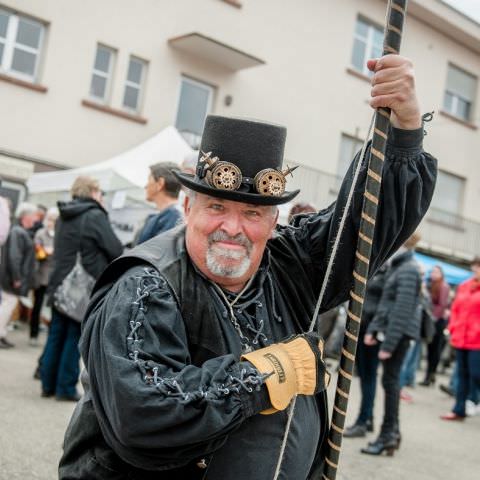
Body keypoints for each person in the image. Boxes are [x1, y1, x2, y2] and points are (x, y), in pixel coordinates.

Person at [59, 55, 437, 479]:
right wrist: (265, 373)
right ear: (188, 207)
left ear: (273, 222)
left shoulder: (288, 265)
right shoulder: (144, 286)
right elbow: (144, 415)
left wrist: (403, 128)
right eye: (216, 206)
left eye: (253, 213)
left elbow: (363, 225)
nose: (232, 228)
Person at [40, 176, 123, 401]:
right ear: (94, 191)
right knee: (74, 336)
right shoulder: (94, 215)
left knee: (55, 334)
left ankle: (47, 384)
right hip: (83, 285)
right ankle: (65, 388)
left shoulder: (63, 215)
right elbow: (115, 249)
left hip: (60, 283)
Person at [361, 233, 423, 456]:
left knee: (391, 384)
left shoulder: (409, 269)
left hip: (399, 335)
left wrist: (388, 344)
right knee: (390, 383)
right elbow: (386, 303)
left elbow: (401, 311)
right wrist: (373, 330)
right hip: (393, 333)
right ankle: (391, 434)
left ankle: (388, 435)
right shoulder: (400, 267)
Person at [344, 263, 389, 438]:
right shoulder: (378, 267)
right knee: (364, 376)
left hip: (372, 331)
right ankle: (368, 417)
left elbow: (385, 305)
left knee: (369, 377)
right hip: (363, 328)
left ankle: (363, 421)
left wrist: (375, 330)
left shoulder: (389, 272)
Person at [440, 257, 480, 420]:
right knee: (462, 375)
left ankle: (473, 401)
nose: (475, 269)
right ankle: (458, 410)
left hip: (477, 341)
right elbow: (455, 309)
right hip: (462, 338)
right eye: (475, 266)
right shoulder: (464, 286)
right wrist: (453, 329)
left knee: (476, 374)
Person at [0, 202, 38, 349]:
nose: (35, 219)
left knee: (8, 306)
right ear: (26, 217)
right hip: (11, 279)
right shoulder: (17, 232)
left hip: (13, 278)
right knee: (7, 306)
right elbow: (14, 257)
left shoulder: (19, 231)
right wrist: (17, 278)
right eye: (33, 216)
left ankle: (2, 334)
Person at [29, 207, 59, 346]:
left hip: (54, 278)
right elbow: (38, 252)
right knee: (37, 305)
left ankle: (50, 336)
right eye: (49, 218)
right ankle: (33, 334)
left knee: (53, 308)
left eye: (53, 219)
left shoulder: (60, 235)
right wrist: (45, 251)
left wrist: (49, 251)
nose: (50, 222)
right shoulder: (40, 233)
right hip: (41, 276)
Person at [136, 162, 183, 244]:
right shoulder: (170, 216)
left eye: (149, 179)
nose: (145, 186)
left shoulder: (172, 217)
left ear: (160, 183)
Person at [419, 265, 450, 386]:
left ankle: (430, 375)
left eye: (436, 272)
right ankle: (429, 375)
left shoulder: (444, 286)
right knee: (430, 349)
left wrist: (433, 318)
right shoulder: (430, 285)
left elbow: (442, 305)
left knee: (435, 350)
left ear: (441, 274)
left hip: (438, 322)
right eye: (432, 272)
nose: (433, 274)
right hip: (431, 320)